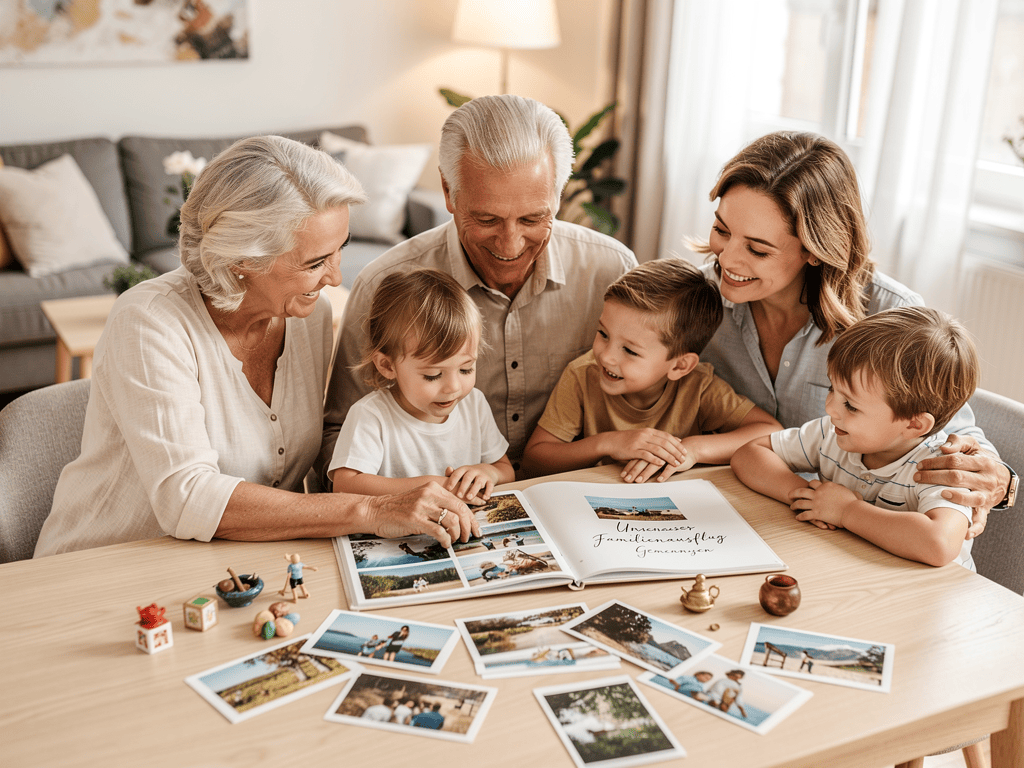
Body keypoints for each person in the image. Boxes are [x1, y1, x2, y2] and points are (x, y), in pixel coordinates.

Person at [34, 135, 477, 558]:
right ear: (243, 259)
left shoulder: (308, 314)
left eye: (339, 249)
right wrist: (371, 511)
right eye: (315, 262)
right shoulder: (150, 322)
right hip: (109, 564)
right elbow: (187, 497)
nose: (335, 278)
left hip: (240, 564)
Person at [692, 131, 1014, 533]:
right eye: (722, 230)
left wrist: (998, 483)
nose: (727, 258)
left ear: (814, 248)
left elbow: (956, 439)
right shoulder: (693, 302)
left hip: (851, 543)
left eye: (758, 249)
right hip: (733, 515)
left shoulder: (893, 317)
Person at [319, 94, 637, 480]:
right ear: (449, 192)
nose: (511, 244)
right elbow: (336, 439)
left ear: (558, 195)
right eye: (487, 219)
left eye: (533, 219)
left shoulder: (611, 270)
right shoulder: (382, 285)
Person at [732, 307, 979, 569]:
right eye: (831, 389)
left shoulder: (942, 466)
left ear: (914, 424)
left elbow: (939, 544)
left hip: (931, 596)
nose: (830, 409)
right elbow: (749, 454)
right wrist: (806, 495)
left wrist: (846, 512)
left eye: (850, 404)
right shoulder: (833, 432)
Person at [521, 259, 781, 482]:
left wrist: (690, 450)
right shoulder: (582, 374)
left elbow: (771, 430)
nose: (606, 356)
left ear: (680, 366)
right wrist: (609, 443)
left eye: (630, 351)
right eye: (603, 334)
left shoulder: (698, 386)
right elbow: (534, 461)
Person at [329, 269, 514, 503]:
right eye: (433, 375)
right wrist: (433, 485)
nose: (454, 386)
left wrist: (489, 472)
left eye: (466, 369)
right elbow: (345, 486)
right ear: (387, 365)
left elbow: (505, 469)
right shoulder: (371, 415)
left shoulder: (473, 404)